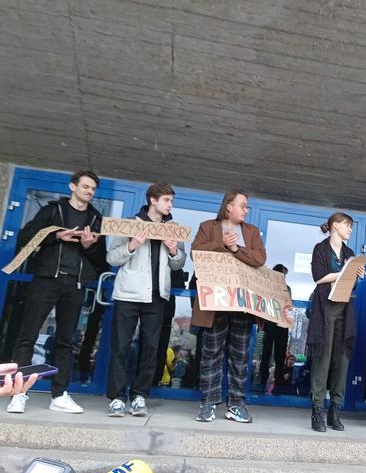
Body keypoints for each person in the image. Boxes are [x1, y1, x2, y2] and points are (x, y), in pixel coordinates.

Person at [8, 171, 107, 414]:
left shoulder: (95, 218)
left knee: (65, 341)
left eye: (93, 188)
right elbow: (24, 237)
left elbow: (101, 260)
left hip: (74, 284)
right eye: (85, 186)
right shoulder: (52, 210)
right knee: (27, 337)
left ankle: (59, 395)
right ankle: (19, 394)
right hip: (45, 280)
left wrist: (87, 246)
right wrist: (55, 236)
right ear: (73, 186)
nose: (89, 191)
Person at [105, 183, 186, 417]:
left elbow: (178, 263)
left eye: (171, 201)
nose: (170, 205)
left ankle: (139, 396)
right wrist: (132, 245)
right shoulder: (130, 223)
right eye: (167, 200)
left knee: (151, 348)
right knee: (120, 346)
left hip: (157, 296)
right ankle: (117, 398)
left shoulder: (174, 229)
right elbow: (112, 256)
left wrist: (173, 251)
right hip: (129, 294)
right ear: (153, 200)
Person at [191, 190, 266, 423]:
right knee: (211, 353)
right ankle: (209, 402)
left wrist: (235, 249)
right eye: (242, 205)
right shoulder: (208, 227)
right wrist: (221, 243)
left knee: (240, 356)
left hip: (242, 304)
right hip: (215, 302)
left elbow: (259, 259)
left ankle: (236, 404)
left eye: (247, 206)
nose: (246, 209)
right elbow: (196, 253)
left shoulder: (251, 232)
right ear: (228, 207)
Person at [306, 212, 364, 432]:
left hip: (345, 308)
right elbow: (319, 277)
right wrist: (343, 272)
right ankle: (317, 410)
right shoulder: (320, 248)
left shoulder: (349, 252)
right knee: (323, 358)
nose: (350, 230)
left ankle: (335, 409)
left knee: (342, 360)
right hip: (325, 309)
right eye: (347, 225)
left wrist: (355, 275)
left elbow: (351, 285)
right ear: (335, 226)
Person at [259, 264, 291, 392]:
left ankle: (278, 381)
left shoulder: (286, 288)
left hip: (282, 323)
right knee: (267, 352)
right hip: (271, 321)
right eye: (283, 274)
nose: (284, 277)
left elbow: (288, 304)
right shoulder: (268, 286)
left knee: (279, 354)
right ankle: (263, 379)